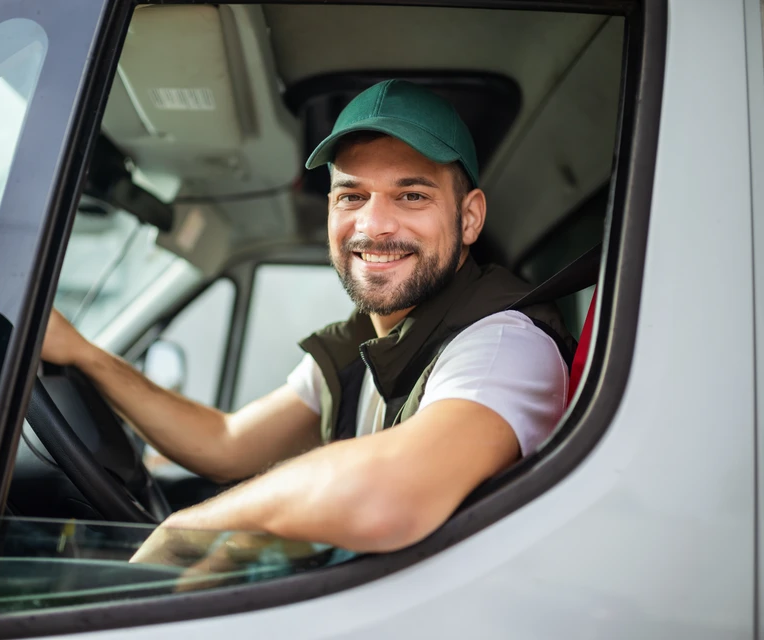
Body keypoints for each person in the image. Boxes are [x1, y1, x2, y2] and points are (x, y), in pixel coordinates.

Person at [42, 80, 573, 562]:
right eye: (351, 196)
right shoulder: (365, 339)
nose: (374, 224)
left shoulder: (502, 345)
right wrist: (83, 354)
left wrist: (189, 530)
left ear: (470, 216)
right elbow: (225, 443)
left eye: (411, 195)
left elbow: (389, 492)